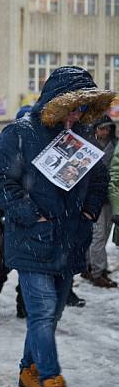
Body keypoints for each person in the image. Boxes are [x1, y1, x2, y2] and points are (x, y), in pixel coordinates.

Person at [0, 66, 111, 387]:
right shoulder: (19, 134)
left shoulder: (85, 136)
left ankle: (29, 370)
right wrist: (30, 214)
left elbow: (99, 180)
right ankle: (53, 385)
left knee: (51, 316)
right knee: (40, 314)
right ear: (54, 102)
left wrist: (87, 215)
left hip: (70, 241)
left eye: (82, 109)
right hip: (32, 241)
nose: (76, 115)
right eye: (71, 107)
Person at [82, 116, 117, 287]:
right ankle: (97, 271)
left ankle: (92, 265)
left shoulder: (114, 145)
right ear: (95, 129)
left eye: (108, 129)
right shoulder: (88, 145)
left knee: (103, 234)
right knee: (97, 234)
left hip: (111, 196)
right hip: (95, 197)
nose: (105, 132)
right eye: (102, 128)